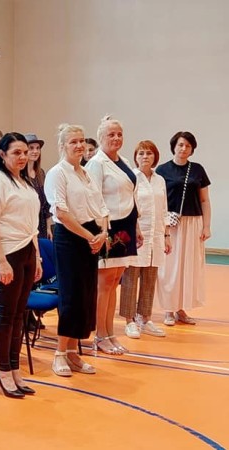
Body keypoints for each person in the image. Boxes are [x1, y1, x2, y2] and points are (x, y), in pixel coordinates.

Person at [44, 124, 109, 376]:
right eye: (73, 142)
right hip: (70, 238)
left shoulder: (86, 173)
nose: (79, 145)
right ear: (63, 146)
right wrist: (90, 237)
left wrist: (103, 233)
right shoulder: (57, 173)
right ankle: (59, 354)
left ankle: (73, 353)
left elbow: (101, 207)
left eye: (82, 141)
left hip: (91, 237)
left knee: (85, 296)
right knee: (71, 296)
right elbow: (61, 212)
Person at [0, 132, 42, 398]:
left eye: (25, 152)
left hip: (26, 251)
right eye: (16, 152)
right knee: (6, 316)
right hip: (5, 254)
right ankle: (3, 371)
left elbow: (32, 226)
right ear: (2, 154)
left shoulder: (25, 183)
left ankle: (15, 369)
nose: (22, 157)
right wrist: (1, 261)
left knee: (20, 315)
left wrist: (37, 257)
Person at [85, 116, 139, 355]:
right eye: (111, 134)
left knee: (115, 281)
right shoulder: (96, 164)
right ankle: (100, 335)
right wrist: (102, 231)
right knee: (104, 283)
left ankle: (110, 333)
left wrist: (137, 226)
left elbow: (130, 195)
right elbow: (93, 198)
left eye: (119, 134)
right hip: (108, 227)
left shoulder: (124, 161)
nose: (116, 138)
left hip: (126, 225)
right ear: (100, 138)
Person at [155, 131, 211, 326]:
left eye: (188, 146)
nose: (184, 148)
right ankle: (168, 309)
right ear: (174, 146)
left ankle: (181, 308)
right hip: (170, 225)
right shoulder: (162, 170)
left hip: (193, 223)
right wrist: (162, 226)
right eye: (180, 145)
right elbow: (159, 200)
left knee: (188, 267)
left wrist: (206, 226)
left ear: (192, 149)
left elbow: (204, 200)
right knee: (169, 268)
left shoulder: (197, 170)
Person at [119, 141, 170, 339]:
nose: (145, 156)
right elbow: (127, 206)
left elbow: (164, 209)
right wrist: (134, 229)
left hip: (156, 235)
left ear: (155, 156)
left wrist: (166, 235)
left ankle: (145, 318)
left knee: (150, 278)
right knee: (131, 278)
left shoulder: (160, 180)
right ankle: (129, 320)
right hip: (137, 235)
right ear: (136, 157)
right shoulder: (131, 178)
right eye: (141, 153)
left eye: (149, 153)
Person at [24, 134, 52, 239]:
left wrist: (49, 227)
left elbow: (46, 203)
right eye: (31, 148)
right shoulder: (20, 175)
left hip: (42, 223)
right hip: (28, 224)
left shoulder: (41, 173)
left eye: (37, 148)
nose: (35, 151)